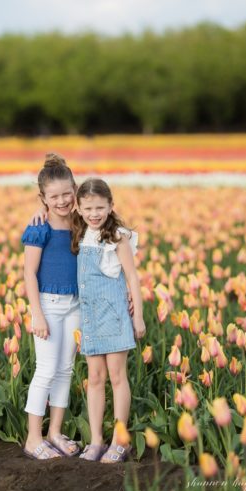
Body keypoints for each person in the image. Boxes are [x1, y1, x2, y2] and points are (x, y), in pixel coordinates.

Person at [72, 178, 146, 463]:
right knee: (94, 379)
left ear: (110, 205)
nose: (94, 213)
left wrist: (137, 316)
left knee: (117, 377)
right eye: (88, 207)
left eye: (100, 207)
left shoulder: (118, 237)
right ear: (78, 208)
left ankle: (120, 440)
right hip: (90, 318)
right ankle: (96, 441)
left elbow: (132, 278)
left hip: (114, 316)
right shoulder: (79, 234)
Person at [21, 153, 82, 460]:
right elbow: (29, 273)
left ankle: (54, 432)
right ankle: (33, 438)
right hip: (47, 305)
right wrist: (37, 314)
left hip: (75, 305)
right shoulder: (39, 227)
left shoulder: (81, 223)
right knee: (45, 370)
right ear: (42, 197)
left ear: (76, 190)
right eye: (54, 196)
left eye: (67, 194)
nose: (62, 201)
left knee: (66, 370)